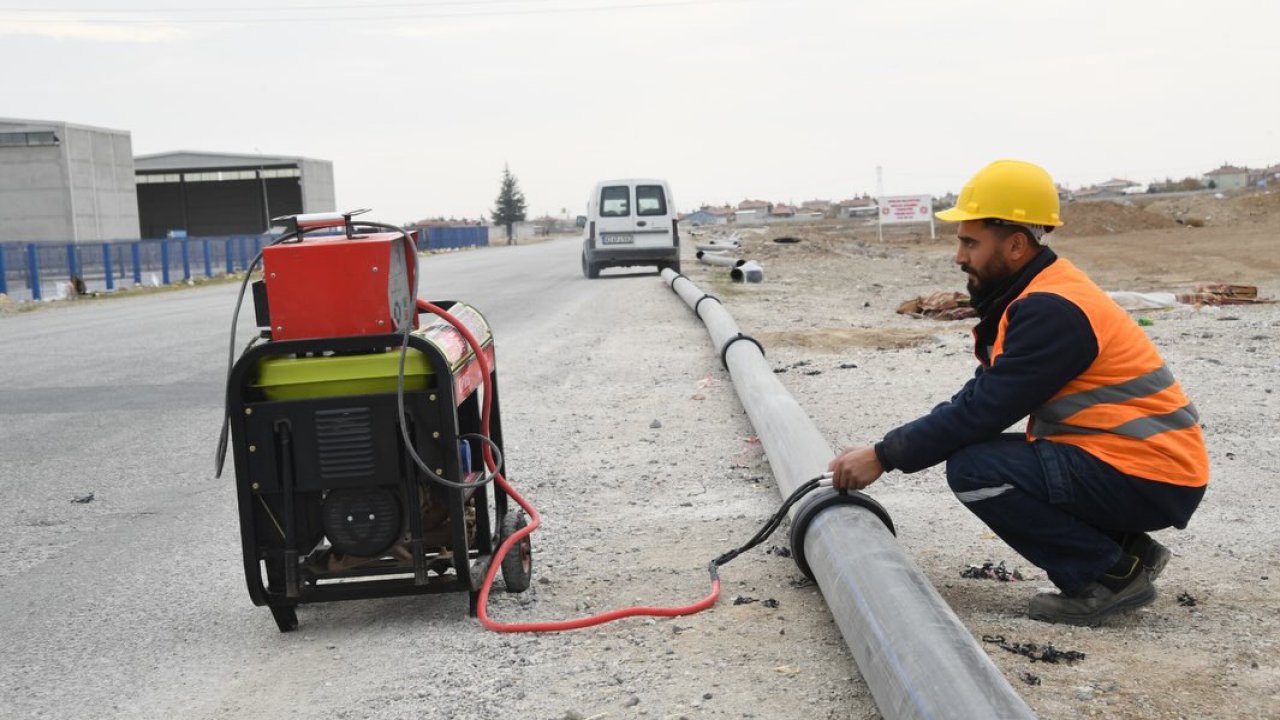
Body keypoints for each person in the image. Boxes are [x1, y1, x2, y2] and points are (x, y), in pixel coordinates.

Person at [827, 159, 1209, 626]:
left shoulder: (1052, 310)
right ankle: (1129, 552)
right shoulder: (1042, 294)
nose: (959, 256)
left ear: (1015, 245)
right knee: (990, 456)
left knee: (977, 469)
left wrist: (884, 455)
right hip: (1141, 464)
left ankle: (1106, 576)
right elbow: (981, 397)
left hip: (1150, 472)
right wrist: (886, 449)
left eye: (970, 242)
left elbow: (984, 411)